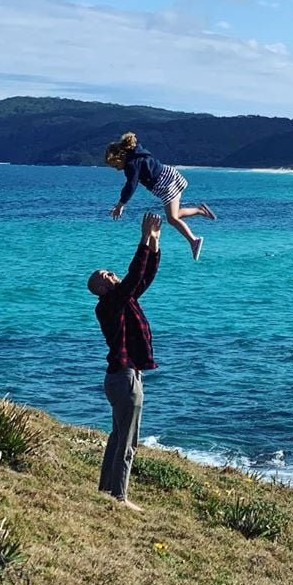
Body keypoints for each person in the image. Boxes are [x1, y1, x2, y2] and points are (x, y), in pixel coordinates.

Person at [88, 211, 163, 511]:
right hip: (124, 378)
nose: (110, 273)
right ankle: (119, 496)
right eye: (104, 275)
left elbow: (144, 277)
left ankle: (106, 490)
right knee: (127, 441)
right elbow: (133, 276)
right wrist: (142, 238)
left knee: (118, 436)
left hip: (123, 377)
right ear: (102, 289)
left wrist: (154, 242)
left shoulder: (122, 300)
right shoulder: (109, 304)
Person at [105, 132, 215, 260]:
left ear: (120, 157)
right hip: (170, 174)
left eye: (116, 165)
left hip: (165, 184)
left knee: (172, 219)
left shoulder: (131, 165)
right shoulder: (136, 152)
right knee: (174, 215)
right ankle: (200, 210)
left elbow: (131, 185)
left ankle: (194, 241)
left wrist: (120, 205)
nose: (117, 169)